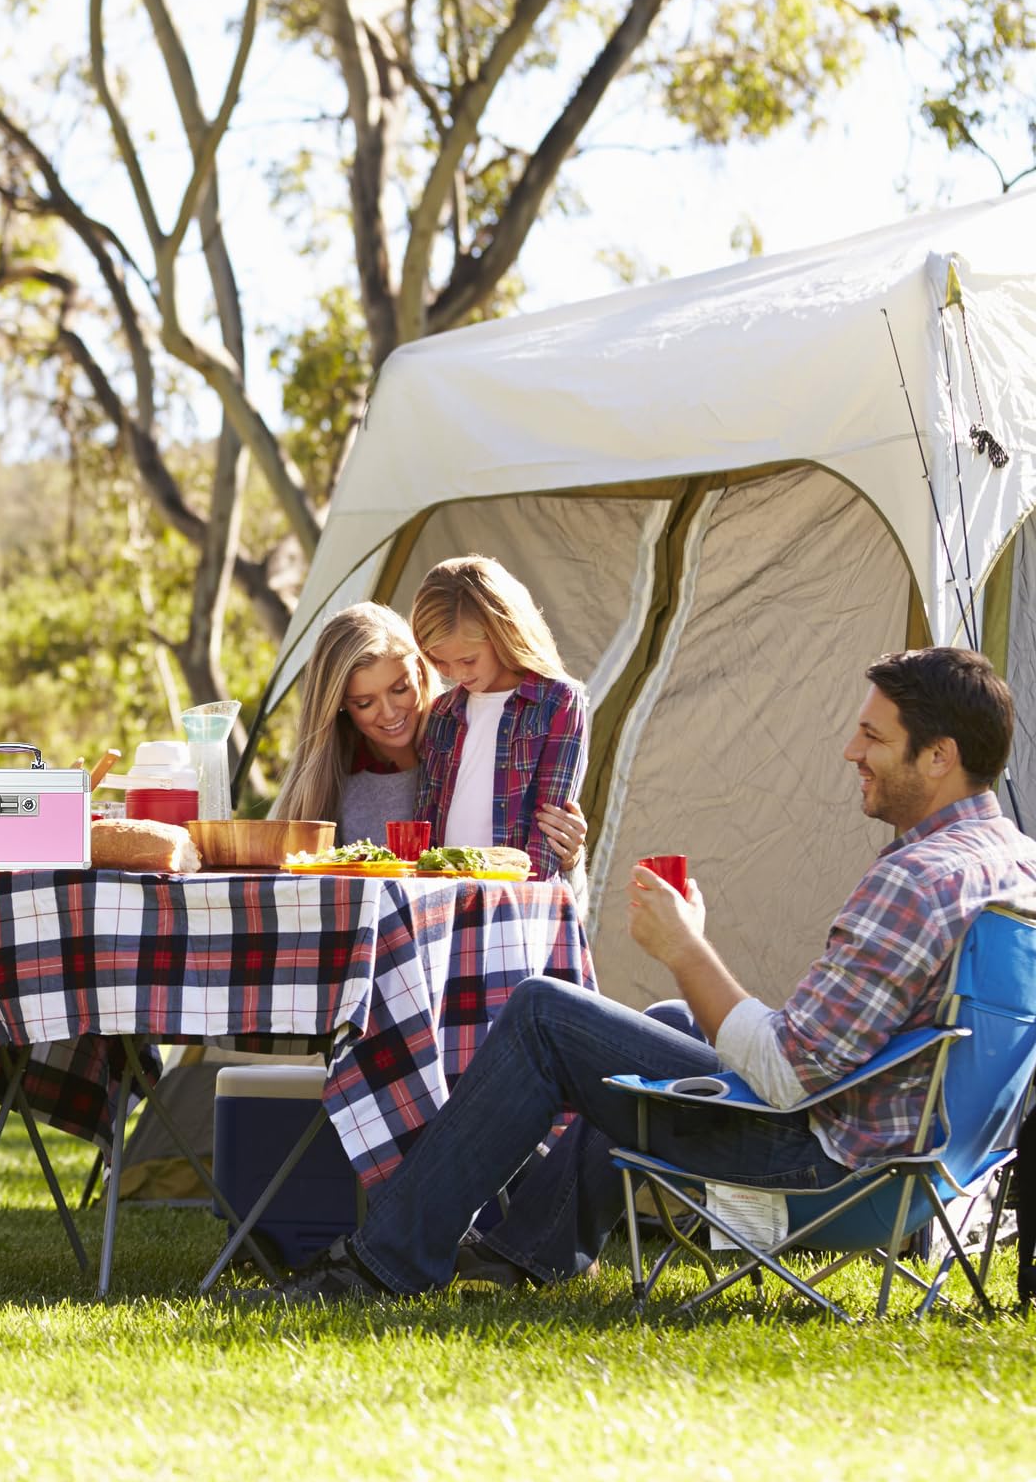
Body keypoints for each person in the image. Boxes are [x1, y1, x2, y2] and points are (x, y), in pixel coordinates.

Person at [250, 646, 1036, 1302]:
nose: (850, 752)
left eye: (873, 736)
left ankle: (382, 1264)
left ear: (939, 757)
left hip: (822, 1167)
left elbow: (791, 1078)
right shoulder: (1012, 867)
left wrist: (686, 945)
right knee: (663, 1022)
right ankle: (532, 1247)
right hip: (929, 1166)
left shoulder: (917, 880)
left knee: (543, 1013)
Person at [410, 555, 588, 880]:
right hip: (442, 899)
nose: (456, 674)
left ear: (503, 632)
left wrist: (519, 902)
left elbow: (549, 825)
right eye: (440, 662)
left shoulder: (558, 701)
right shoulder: (442, 712)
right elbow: (427, 816)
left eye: (468, 659)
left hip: (515, 904)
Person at [270, 602, 439, 845]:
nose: (390, 713)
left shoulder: (459, 740)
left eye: (400, 689)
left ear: (420, 671)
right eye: (364, 704)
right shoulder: (331, 779)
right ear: (339, 705)